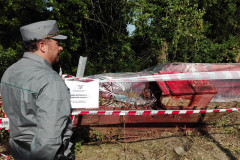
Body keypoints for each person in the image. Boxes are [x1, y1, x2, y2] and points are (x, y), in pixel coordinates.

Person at [1, 20, 74, 160]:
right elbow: (49, 139)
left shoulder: (10, 72)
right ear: (42, 46)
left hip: (19, 153)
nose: (61, 48)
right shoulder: (50, 80)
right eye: (57, 43)